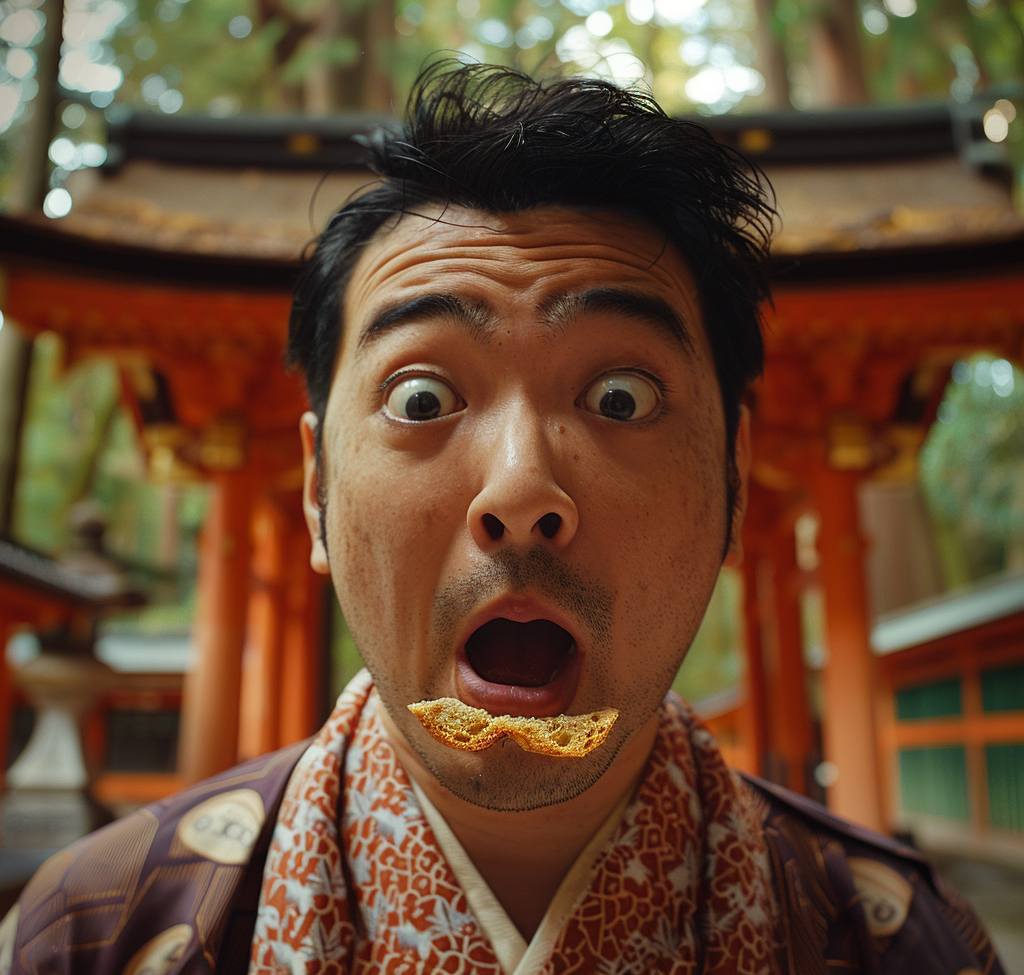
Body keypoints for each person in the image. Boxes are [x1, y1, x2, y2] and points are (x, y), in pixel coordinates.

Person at [0, 63, 1004, 975]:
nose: (521, 490)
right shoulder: (95, 930)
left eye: (620, 398)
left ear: (734, 480)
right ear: (317, 490)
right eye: (423, 399)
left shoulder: (909, 944)